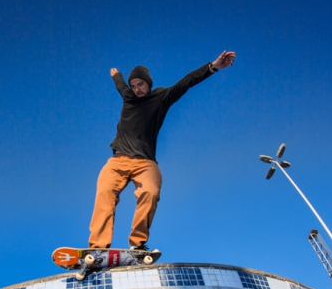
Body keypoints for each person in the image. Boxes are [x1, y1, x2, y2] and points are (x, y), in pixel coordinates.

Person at [88, 50, 236, 250]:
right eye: (134, 86)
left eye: (140, 85)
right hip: (118, 160)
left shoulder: (161, 97)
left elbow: (186, 83)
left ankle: (137, 244)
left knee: (150, 192)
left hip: (146, 162)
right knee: (105, 192)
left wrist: (213, 67)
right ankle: (98, 247)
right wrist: (116, 75)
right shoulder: (128, 97)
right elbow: (120, 84)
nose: (137, 89)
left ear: (148, 83)